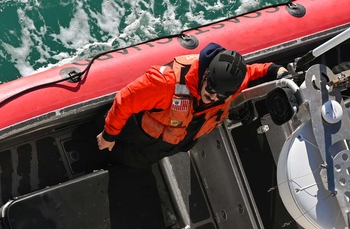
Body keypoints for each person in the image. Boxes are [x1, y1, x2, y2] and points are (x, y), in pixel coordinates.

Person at [96, 42, 286, 170]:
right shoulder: (166, 83)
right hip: (135, 130)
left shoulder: (227, 89)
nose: (212, 97)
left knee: (132, 164)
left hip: (162, 148)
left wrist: (276, 70)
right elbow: (125, 100)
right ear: (205, 74)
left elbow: (254, 72)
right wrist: (108, 135)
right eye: (211, 88)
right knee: (102, 148)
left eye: (221, 96)